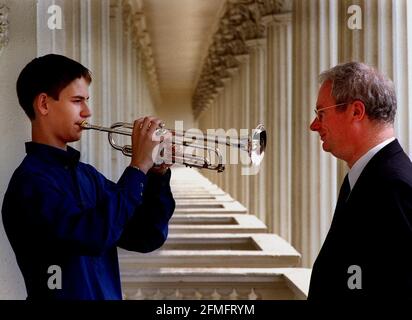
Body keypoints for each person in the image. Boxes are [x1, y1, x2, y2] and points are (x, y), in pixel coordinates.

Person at [1, 54, 175, 300]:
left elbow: (146, 236)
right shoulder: (30, 184)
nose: (87, 111)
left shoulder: (88, 177)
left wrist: (157, 174)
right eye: (77, 100)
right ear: (43, 104)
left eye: (87, 100)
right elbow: (92, 236)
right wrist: (137, 168)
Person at [308, 61, 412, 300]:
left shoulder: (395, 186)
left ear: (356, 111)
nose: (314, 126)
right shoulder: (363, 177)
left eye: (321, 113)